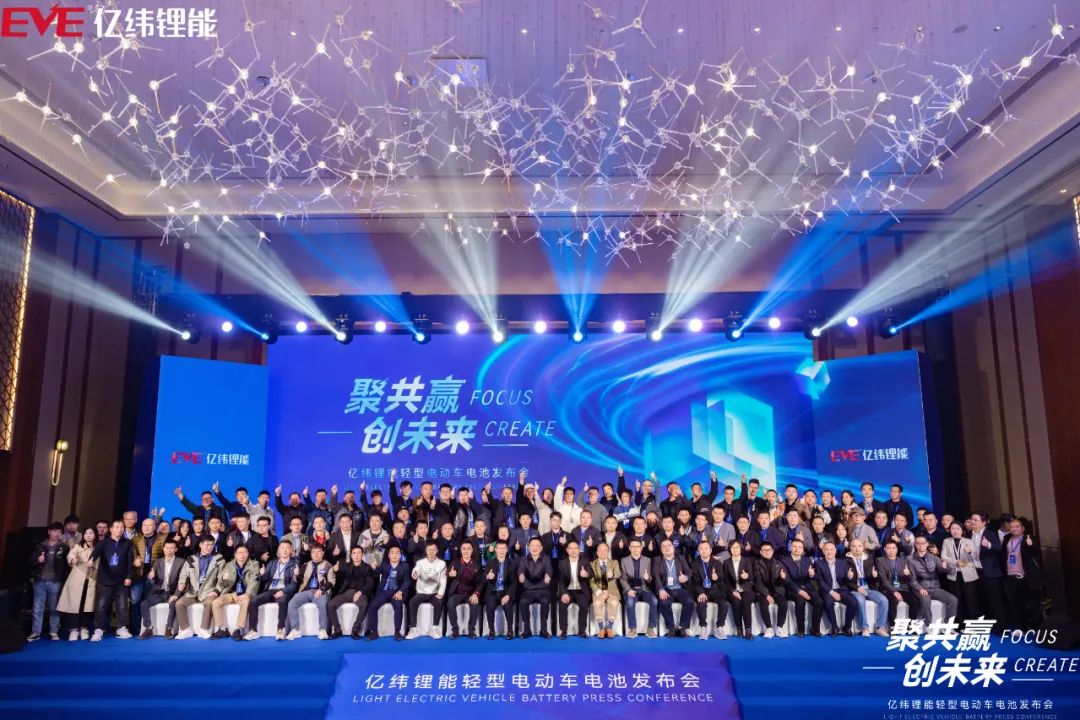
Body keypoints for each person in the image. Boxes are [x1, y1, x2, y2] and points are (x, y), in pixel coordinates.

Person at [89, 520, 134, 641]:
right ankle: (98, 630)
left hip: (122, 580)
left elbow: (130, 561)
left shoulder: (127, 543)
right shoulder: (104, 542)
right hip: (105, 579)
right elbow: (95, 553)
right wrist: (91, 560)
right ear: (111, 529)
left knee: (122, 606)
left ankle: (121, 628)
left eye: (122, 527)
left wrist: (129, 576)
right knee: (101, 606)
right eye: (117, 527)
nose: (120, 529)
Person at [174, 534, 224, 639]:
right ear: (200, 545)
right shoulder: (191, 559)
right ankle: (186, 629)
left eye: (211, 545)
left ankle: (204, 629)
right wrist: (182, 583)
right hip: (193, 591)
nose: (209, 547)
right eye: (207, 544)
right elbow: (184, 574)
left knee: (209, 603)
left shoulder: (219, 559)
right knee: (179, 603)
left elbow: (222, 578)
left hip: (209, 591)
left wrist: (216, 591)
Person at [246, 542, 298, 640]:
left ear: (291, 550)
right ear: (279, 550)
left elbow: (294, 584)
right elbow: (265, 578)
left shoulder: (294, 564)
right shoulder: (273, 563)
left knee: (283, 601)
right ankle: (253, 630)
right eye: (282, 548)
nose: (285, 550)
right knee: (253, 602)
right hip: (271, 590)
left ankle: (280, 629)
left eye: (287, 548)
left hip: (284, 590)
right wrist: (261, 575)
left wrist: (283, 591)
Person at [137, 538, 186, 639]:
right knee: (144, 604)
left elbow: (182, 580)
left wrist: (176, 594)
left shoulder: (181, 562)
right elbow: (152, 574)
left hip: (172, 592)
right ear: (163, 549)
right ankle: (148, 628)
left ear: (176, 549)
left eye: (172, 548)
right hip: (159, 592)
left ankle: (169, 629)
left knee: (173, 604)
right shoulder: (158, 561)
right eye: (167, 548)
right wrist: (151, 576)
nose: (169, 550)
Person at [28, 521, 69, 641]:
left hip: (55, 581)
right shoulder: (40, 546)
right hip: (40, 581)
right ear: (49, 532)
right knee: (37, 608)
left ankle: (53, 631)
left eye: (60, 532)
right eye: (55, 531)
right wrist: (38, 560)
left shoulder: (63, 547)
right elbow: (30, 562)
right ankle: (35, 632)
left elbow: (66, 565)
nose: (57, 534)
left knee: (54, 608)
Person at [210, 544, 261, 640]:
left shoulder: (254, 564)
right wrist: (223, 579)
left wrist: (248, 594)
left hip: (245, 593)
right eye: (239, 553)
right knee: (216, 602)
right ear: (235, 554)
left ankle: (238, 629)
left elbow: (255, 581)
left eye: (244, 552)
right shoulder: (229, 565)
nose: (242, 555)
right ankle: (222, 629)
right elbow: (222, 583)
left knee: (245, 603)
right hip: (232, 593)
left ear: (248, 554)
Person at [1002, 518, 1044, 630]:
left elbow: (1034, 548)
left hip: (1026, 578)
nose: (1014, 529)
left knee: (1033, 605)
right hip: (1011, 577)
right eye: (1012, 527)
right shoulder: (1007, 539)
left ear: (1023, 528)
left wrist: (1031, 544)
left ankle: (1038, 629)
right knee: (1016, 605)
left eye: (1017, 526)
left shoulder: (1028, 538)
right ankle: (1020, 628)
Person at [286, 543, 335, 640]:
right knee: (292, 603)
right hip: (306, 591)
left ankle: (323, 630)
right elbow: (299, 581)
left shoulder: (328, 565)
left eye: (318, 552)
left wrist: (322, 589)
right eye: (313, 552)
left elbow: (332, 581)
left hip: (319, 591)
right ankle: (295, 629)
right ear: (311, 554)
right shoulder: (305, 565)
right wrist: (296, 575)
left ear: (322, 553)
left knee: (323, 604)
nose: (316, 554)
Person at [970, 512, 1008, 629]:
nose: (972, 522)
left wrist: (989, 544)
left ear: (984, 522)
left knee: (996, 600)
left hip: (991, 572)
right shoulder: (970, 534)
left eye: (975, 520)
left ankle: (1001, 626)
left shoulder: (990, 534)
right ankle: (987, 623)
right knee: (982, 599)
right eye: (972, 519)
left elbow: (1000, 548)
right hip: (976, 571)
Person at [58, 527, 97, 640]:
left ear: (95, 535)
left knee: (87, 605)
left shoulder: (98, 548)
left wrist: (94, 565)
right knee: (74, 605)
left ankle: (84, 628)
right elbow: (70, 555)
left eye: (91, 533)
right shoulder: (78, 546)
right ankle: (73, 629)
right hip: (77, 580)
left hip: (91, 580)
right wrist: (72, 559)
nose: (88, 535)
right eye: (86, 533)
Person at [910, 536, 959, 624]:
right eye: (918, 543)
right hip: (921, 588)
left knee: (953, 600)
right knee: (925, 601)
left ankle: (947, 625)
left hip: (934, 588)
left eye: (923, 543)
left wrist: (946, 567)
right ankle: (928, 625)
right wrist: (919, 588)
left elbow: (944, 571)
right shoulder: (911, 560)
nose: (921, 545)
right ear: (915, 545)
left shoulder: (933, 557)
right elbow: (911, 579)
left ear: (927, 544)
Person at [814, 541, 859, 636]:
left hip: (841, 589)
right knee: (828, 603)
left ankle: (847, 627)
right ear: (823, 551)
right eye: (827, 550)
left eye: (831, 550)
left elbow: (846, 580)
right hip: (827, 590)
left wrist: (849, 577)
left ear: (835, 551)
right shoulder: (818, 563)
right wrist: (831, 592)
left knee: (854, 603)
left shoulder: (842, 562)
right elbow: (820, 581)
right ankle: (834, 627)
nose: (829, 552)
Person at [365, 546, 410, 640]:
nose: (395, 555)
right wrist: (374, 568)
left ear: (400, 555)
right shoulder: (384, 564)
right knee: (372, 606)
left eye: (397, 553)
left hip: (397, 591)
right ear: (389, 555)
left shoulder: (405, 566)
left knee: (398, 606)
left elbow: (407, 581)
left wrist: (400, 591)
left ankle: (397, 632)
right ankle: (374, 632)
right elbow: (378, 572)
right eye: (392, 553)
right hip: (384, 591)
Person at [328, 546, 374, 639]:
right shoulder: (346, 566)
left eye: (359, 553)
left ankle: (355, 629)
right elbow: (340, 579)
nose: (356, 555)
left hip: (360, 593)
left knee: (364, 604)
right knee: (330, 604)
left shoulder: (367, 567)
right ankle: (337, 629)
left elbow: (370, 583)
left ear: (362, 555)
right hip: (347, 592)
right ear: (351, 555)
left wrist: (360, 592)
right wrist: (336, 571)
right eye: (354, 553)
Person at [847, 538, 889, 637]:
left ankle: (880, 627)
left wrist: (875, 576)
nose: (857, 548)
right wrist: (853, 583)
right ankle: (864, 627)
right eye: (854, 546)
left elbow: (874, 578)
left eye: (859, 546)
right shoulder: (846, 560)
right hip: (855, 588)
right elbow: (846, 581)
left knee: (884, 600)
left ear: (863, 547)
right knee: (860, 601)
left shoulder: (868, 558)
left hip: (867, 588)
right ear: (850, 548)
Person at [780, 538, 822, 637]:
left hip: (807, 587)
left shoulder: (807, 560)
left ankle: (815, 628)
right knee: (800, 601)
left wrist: (812, 575)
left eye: (799, 547)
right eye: (794, 546)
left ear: (803, 549)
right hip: (792, 589)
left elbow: (814, 576)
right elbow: (786, 580)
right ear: (790, 547)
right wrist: (799, 591)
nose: (797, 549)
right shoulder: (784, 561)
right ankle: (801, 630)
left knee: (819, 601)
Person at [653, 539, 693, 637]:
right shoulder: (657, 560)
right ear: (661, 549)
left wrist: (686, 577)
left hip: (679, 588)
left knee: (689, 601)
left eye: (669, 545)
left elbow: (689, 571)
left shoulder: (680, 558)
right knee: (664, 603)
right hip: (666, 588)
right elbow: (656, 576)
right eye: (664, 546)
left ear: (673, 547)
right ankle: (671, 628)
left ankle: (683, 627)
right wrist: (661, 589)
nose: (667, 548)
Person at [407, 541, 447, 639]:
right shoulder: (420, 563)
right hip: (422, 592)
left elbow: (443, 579)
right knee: (412, 602)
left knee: (439, 602)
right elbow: (416, 570)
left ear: (437, 551)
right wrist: (415, 574)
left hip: (434, 592)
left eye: (433, 550)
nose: (431, 552)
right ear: (426, 550)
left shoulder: (442, 563)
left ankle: (435, 628)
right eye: (429, 550)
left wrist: (440, 593)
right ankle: (413, 629)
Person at [620, 538, 658, 638]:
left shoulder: (647, 560)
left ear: (641, 548)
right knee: (630, 602)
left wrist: (648, 578)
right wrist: (628, 590)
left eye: (637, 547)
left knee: (654, 601)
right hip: (631, 589)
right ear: (629, 548)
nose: (635, 549)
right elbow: (623, 578)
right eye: (633, 547)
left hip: (644, 588)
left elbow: (650, 578)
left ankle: (650, 628)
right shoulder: (624, 560)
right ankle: (633, 629)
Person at [875, 541, 920, 627]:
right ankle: (893, 626)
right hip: (888, 589)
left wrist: (908, 574)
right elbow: (883, 579)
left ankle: (912, 626)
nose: (891, 551)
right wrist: (894, 591)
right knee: (893, 601)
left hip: (902, 587)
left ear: (897, 549)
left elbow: (911, 579)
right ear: (884, 549)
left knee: (914, 601)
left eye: (893, 548)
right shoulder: (880, 560)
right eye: (888, 548)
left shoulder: (903, 561)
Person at [941, 521, 979, 621]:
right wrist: (956, 562)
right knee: (957, 599)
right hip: (953, 574)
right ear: (950, 530)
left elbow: (975, 557)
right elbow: (943, 556)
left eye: (958, 529)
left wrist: (969, 552)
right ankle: (959, 623)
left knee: (971, 600)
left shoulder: (969, 541)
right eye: (953, 529)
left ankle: (973, 622)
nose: (955, 531)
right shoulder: (946, 541)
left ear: (962, 530)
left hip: (969, 575)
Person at [690, 539, 727, 640]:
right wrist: (700, 592)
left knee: (723, 602)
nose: (704, 551)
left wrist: (717, 577)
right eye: (701, 549)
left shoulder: (717, 563)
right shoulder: (694, 563)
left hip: (714, 589)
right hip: (701, 589)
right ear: (699, 551)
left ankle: (719, 627)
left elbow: (722, 578)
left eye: (706, 548)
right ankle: (703, 627)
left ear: (710, 550)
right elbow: (694, 581)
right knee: (701, 601)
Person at [445, 540, 483, 638]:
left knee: (475, 604)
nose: (466, 551)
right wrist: (450, 574)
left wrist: (476, 594)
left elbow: (480, 582)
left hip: (470, 593)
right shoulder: (455, 563)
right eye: (464, 549)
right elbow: (447, 573)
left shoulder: (476, 565)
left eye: (468, 549)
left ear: (472, 550)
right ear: (461, 550)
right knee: (450, 604)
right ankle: (455, 630)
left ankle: (471, 630)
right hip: (457, 593)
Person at [556, 540, 592, 638]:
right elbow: (561, 581)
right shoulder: (562, 563)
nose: (573, 550)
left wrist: (586, 574)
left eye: (575, 548)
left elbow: (590, 575)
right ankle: (563, 631)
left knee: (584, 605)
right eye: (570, 548)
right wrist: (564, 593)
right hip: (568, 591)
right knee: (562, 604)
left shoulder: (585, 561)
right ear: (567, 550)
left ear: (579, 550)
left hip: (581, 591)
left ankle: (582, 631)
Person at [518, 537, 553, 639]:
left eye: (537, 546)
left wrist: (548, 576)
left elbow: (549, 570)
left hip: (542, 589)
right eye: (532, 546)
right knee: (523, 602)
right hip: (528, 590)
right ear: (528, 547)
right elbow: (520, 570)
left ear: (541, 548)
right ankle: (527, 630)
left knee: (545, 601)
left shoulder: (546, 559)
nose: (535, 548)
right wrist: (520, 575)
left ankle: (543, 629)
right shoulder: (523, 559)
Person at [752, 542, 788, 638]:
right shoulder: (756, 563)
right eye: (764, 550)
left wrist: (782, 578)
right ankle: (769, 628)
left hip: (776, 590)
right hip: (762, 591)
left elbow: (781, 583)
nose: (767, 552)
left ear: (772, 551)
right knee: (763, 603)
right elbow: (757, 582)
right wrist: (767, 595)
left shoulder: (778, 563)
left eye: (769, 550)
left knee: (784, 603)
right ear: (760, 552)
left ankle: (779, 628)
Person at [721, 539, 756, 639]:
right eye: (733, 547)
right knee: (736, 602)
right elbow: (725, 581)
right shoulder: (726, 562)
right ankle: (739, 627)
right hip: (733, 590)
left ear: (741, 549)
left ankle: (748, 630)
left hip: (746, 589)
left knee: (745, 601)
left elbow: (753, 577)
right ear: (730, 549)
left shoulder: (747, 561)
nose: (735, 549)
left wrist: (747, 576)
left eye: (737, 547)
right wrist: (733, 591)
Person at [483, 540, 517, 639]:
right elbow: (484, 578)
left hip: (505, 592)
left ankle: (510, 631)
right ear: (496, 550)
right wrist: (488, 577)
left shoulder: (511, 563)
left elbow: (513, 582)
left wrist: (508, 595)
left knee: (508, 605)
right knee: (490, 605)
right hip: (493, 592)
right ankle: (491, 631)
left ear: (507, 550)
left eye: (503, 548)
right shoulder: (490, 562)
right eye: (499, 548)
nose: (501, 551)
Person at [590, 543, 620, 638]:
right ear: (597, 552)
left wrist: (613, 574)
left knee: (614, 602)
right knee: (597, 603)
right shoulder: (592, 564)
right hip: (598, 592)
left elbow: (618, 573)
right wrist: (599, 592)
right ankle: (601, 629)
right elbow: (591, 581)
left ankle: (610, 628)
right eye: (600, 550)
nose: (603, 552)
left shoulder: (614, 562)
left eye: (605, 550)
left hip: (612, 591)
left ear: (608, 552)